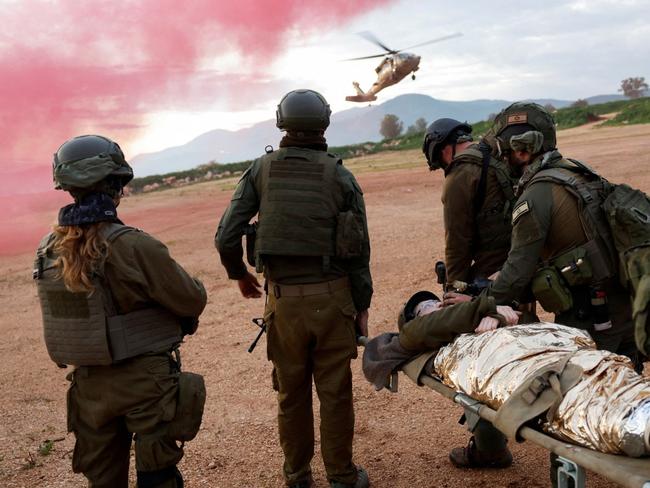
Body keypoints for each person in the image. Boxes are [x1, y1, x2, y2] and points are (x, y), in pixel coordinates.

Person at [215, 89, 372, 488]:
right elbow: (358, 250)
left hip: (283, 302)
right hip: (334, 299)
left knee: (291, 393)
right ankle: (341, 476)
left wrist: (240, 274)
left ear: (282, 122)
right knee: (335, 393)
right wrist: (361, 305)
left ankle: (297, 475)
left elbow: (226, 235)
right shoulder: (340, 175)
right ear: (325, 124)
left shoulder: (260, 170)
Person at [34, 135, 208, 488]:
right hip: (146, 382)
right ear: (116, 184)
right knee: (158, 477)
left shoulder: (48, 249)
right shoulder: (133, 244)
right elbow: (190, 299)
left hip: (89, 386)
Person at [482, 102, 641, 368]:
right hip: (623, 303)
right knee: (626, 385)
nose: (502, 159)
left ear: (523, 151)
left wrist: (480, 303)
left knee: (588, 393)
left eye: (504, 151)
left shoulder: (536, 195)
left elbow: (518, 272)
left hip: (591, 316)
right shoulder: (576, 171)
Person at [362, 291, 519, 468]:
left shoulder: (467, 316)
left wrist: (492, 314)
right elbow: (442, 320)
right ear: (417, 320)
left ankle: (490, 449)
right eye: (425, 308)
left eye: (434, 302)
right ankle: (491, 450)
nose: (436, 305)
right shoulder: (413, 332)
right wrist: (491, 309)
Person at [422, 118, 518, 287]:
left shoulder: (459, 176)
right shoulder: (495, 155)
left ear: (444, 150)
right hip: (524, 252)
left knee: (477, 299)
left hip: (497, 261)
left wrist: (454, 286)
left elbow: (457, 242)